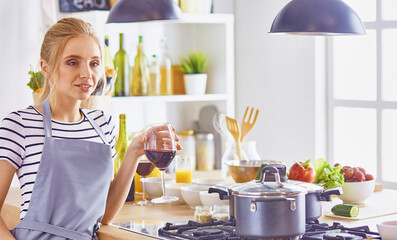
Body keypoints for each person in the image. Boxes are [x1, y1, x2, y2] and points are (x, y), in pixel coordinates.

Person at [0, 17, 180, 240]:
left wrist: (134, 152)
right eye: (73, 62)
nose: (87, 74)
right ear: (45, 68)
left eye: (94, 63)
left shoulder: (103, 124)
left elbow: (104, 215)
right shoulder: (20, 124)